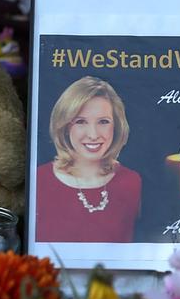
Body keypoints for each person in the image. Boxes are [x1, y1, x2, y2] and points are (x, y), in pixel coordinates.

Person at [36, 76, 142, 243]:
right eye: (80, 121)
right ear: (64, 127)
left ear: (117, 126)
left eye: (103, 122)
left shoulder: (132, 182)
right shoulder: (38, 180)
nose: (93, 135)